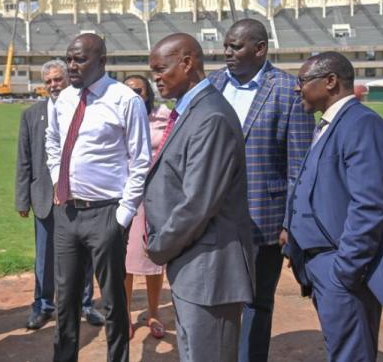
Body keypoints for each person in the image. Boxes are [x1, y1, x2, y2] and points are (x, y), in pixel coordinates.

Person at [285, 51, 383, 361]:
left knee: (351, 354)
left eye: (302, 81)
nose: (297, 88)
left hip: (342, 269)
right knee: (341, 349)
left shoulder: (361, 124)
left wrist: (345, 270)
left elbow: (370, 206)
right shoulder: (330, 124)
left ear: (330, 81)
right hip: (322, 265)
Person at [208, 18, 315, 362]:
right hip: (211, 217)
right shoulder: (211, 85)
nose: (228, 52)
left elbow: (299, 166)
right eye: (226, 46)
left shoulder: (287, 90)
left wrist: (291, 222)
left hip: (264, 218)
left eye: (235, 46)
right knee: (214, 296)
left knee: (256, 302)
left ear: (260, 48)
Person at [144, 33, 254, 362]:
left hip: (210, 270)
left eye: (161, 69)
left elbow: (197, 203)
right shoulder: (194, 109)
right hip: (193, 264)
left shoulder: (211, 116)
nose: (156, 78)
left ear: (188, 63)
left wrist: (160, 247)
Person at [46, 33, 151, 362]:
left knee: (113, 301)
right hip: (68, 213)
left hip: (106, 213)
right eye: (69, 59)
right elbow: (53, 143)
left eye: (79, 59)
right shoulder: (63, 99)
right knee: (65, 300)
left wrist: (123, 216)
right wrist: (57, 181)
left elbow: (141, 160)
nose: (71, 65)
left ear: (102, 61)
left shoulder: (124, 99)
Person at [15, 59, 105, 331]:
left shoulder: (85, 109)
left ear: (68, 80)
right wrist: (22, 199)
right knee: (44, 257)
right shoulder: (31, 115)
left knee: (84, 254)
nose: (54, 85)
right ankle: (43, 306)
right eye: (49, 81)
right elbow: (24, 159)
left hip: (79, 196)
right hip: (43, 198)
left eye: (58, 79)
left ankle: (86, 304)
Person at [122, 74, 170, 340]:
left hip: (156, 197)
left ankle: (153, 313)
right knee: (125, 261)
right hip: (126, 198)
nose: (134, 96)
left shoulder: (164, 117)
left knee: (154, 259)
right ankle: (125, 314)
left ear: (148, 93)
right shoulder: (116, 118)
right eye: (128, 91)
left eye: (139, 91)